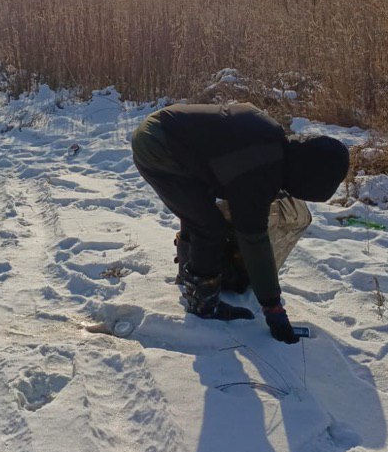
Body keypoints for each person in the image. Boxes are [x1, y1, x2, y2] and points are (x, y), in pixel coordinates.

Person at [131, 102, 349, 344]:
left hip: (168, 131)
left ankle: (190, 271)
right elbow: (253, 238)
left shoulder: (274, 144)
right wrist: (273, 307)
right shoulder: (260, 169)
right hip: (158, 148)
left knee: (198, 210)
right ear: (307, 177)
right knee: (209, 226)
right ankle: (203, 302)